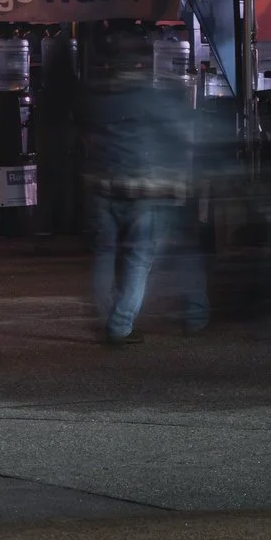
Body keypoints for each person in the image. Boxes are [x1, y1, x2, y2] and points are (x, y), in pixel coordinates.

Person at [82, 35, 196, 349]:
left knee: (105, 254)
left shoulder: (98, 97)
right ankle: (119, 325)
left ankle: (106, 315)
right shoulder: (150, 97)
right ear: (143, 64)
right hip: (144, 191)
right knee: (138, 258)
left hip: (102, 187)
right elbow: (182, 132)